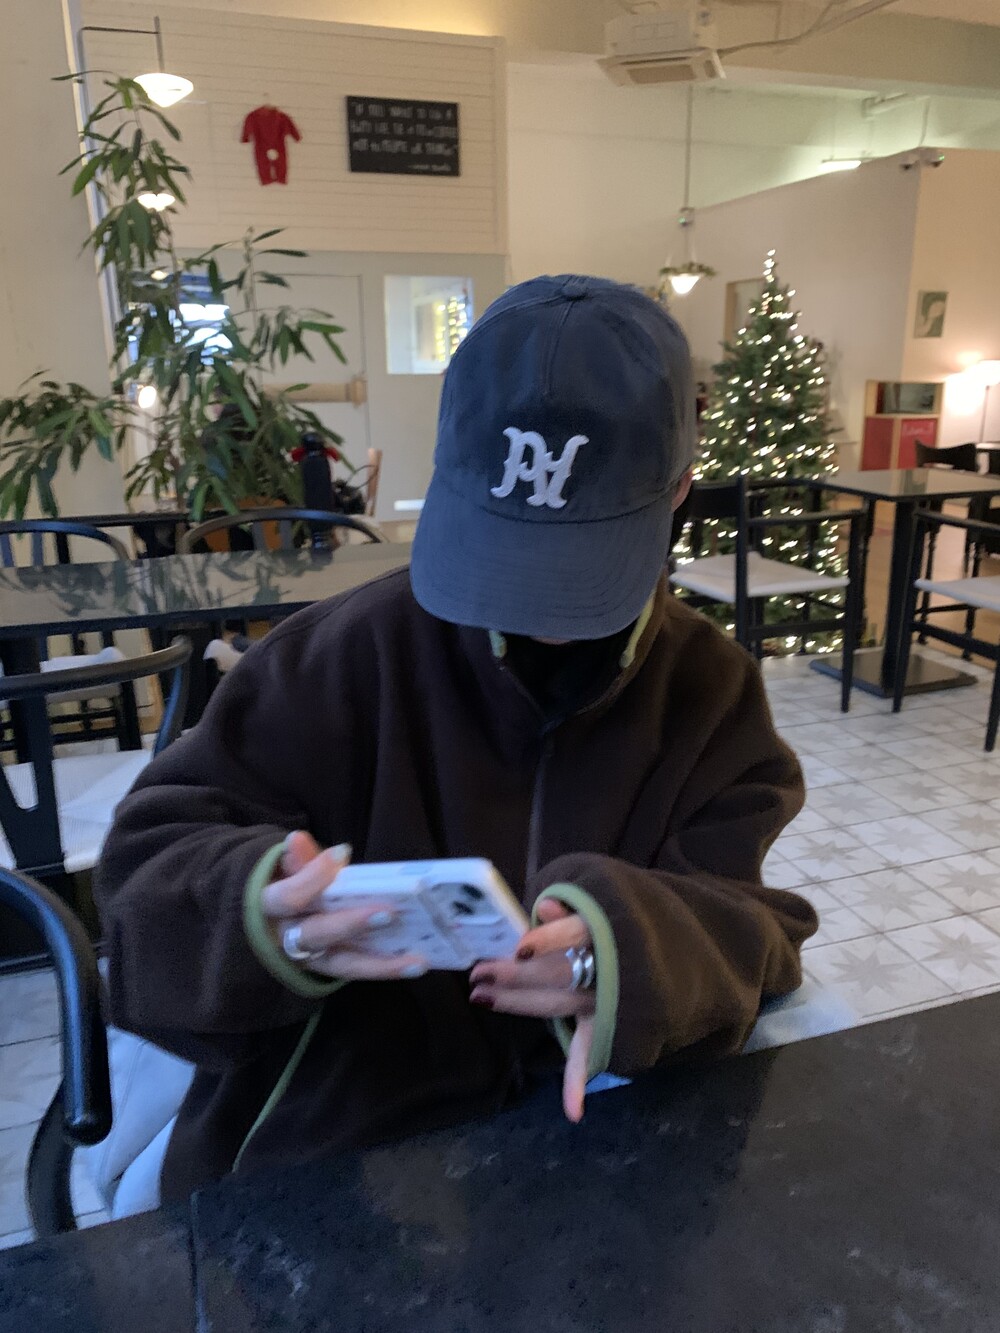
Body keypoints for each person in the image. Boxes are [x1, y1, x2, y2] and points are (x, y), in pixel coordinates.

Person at [95, 274, 816, 1203]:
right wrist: (259, 915)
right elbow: (145, 869)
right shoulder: (335, 658)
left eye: (580, 559)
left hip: (600, 1145)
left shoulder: (714, 692)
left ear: (680, 488)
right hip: (332, 1142)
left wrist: (625, 950)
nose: (540, 608)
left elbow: (755, 927)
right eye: (506, 547)